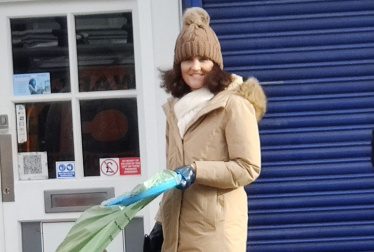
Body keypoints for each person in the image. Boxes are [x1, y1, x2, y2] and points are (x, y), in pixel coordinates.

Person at [152, 7, 267, 252]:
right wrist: (160, 223)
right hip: (176, 237)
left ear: (215, 64)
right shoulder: (174, 110)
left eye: (204, 59)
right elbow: (173, 173)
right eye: (187, 60)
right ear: (178, 65)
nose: (195, 67)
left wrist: (197, 171)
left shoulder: (233, 105)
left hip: (216, 237)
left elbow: (248, 167)